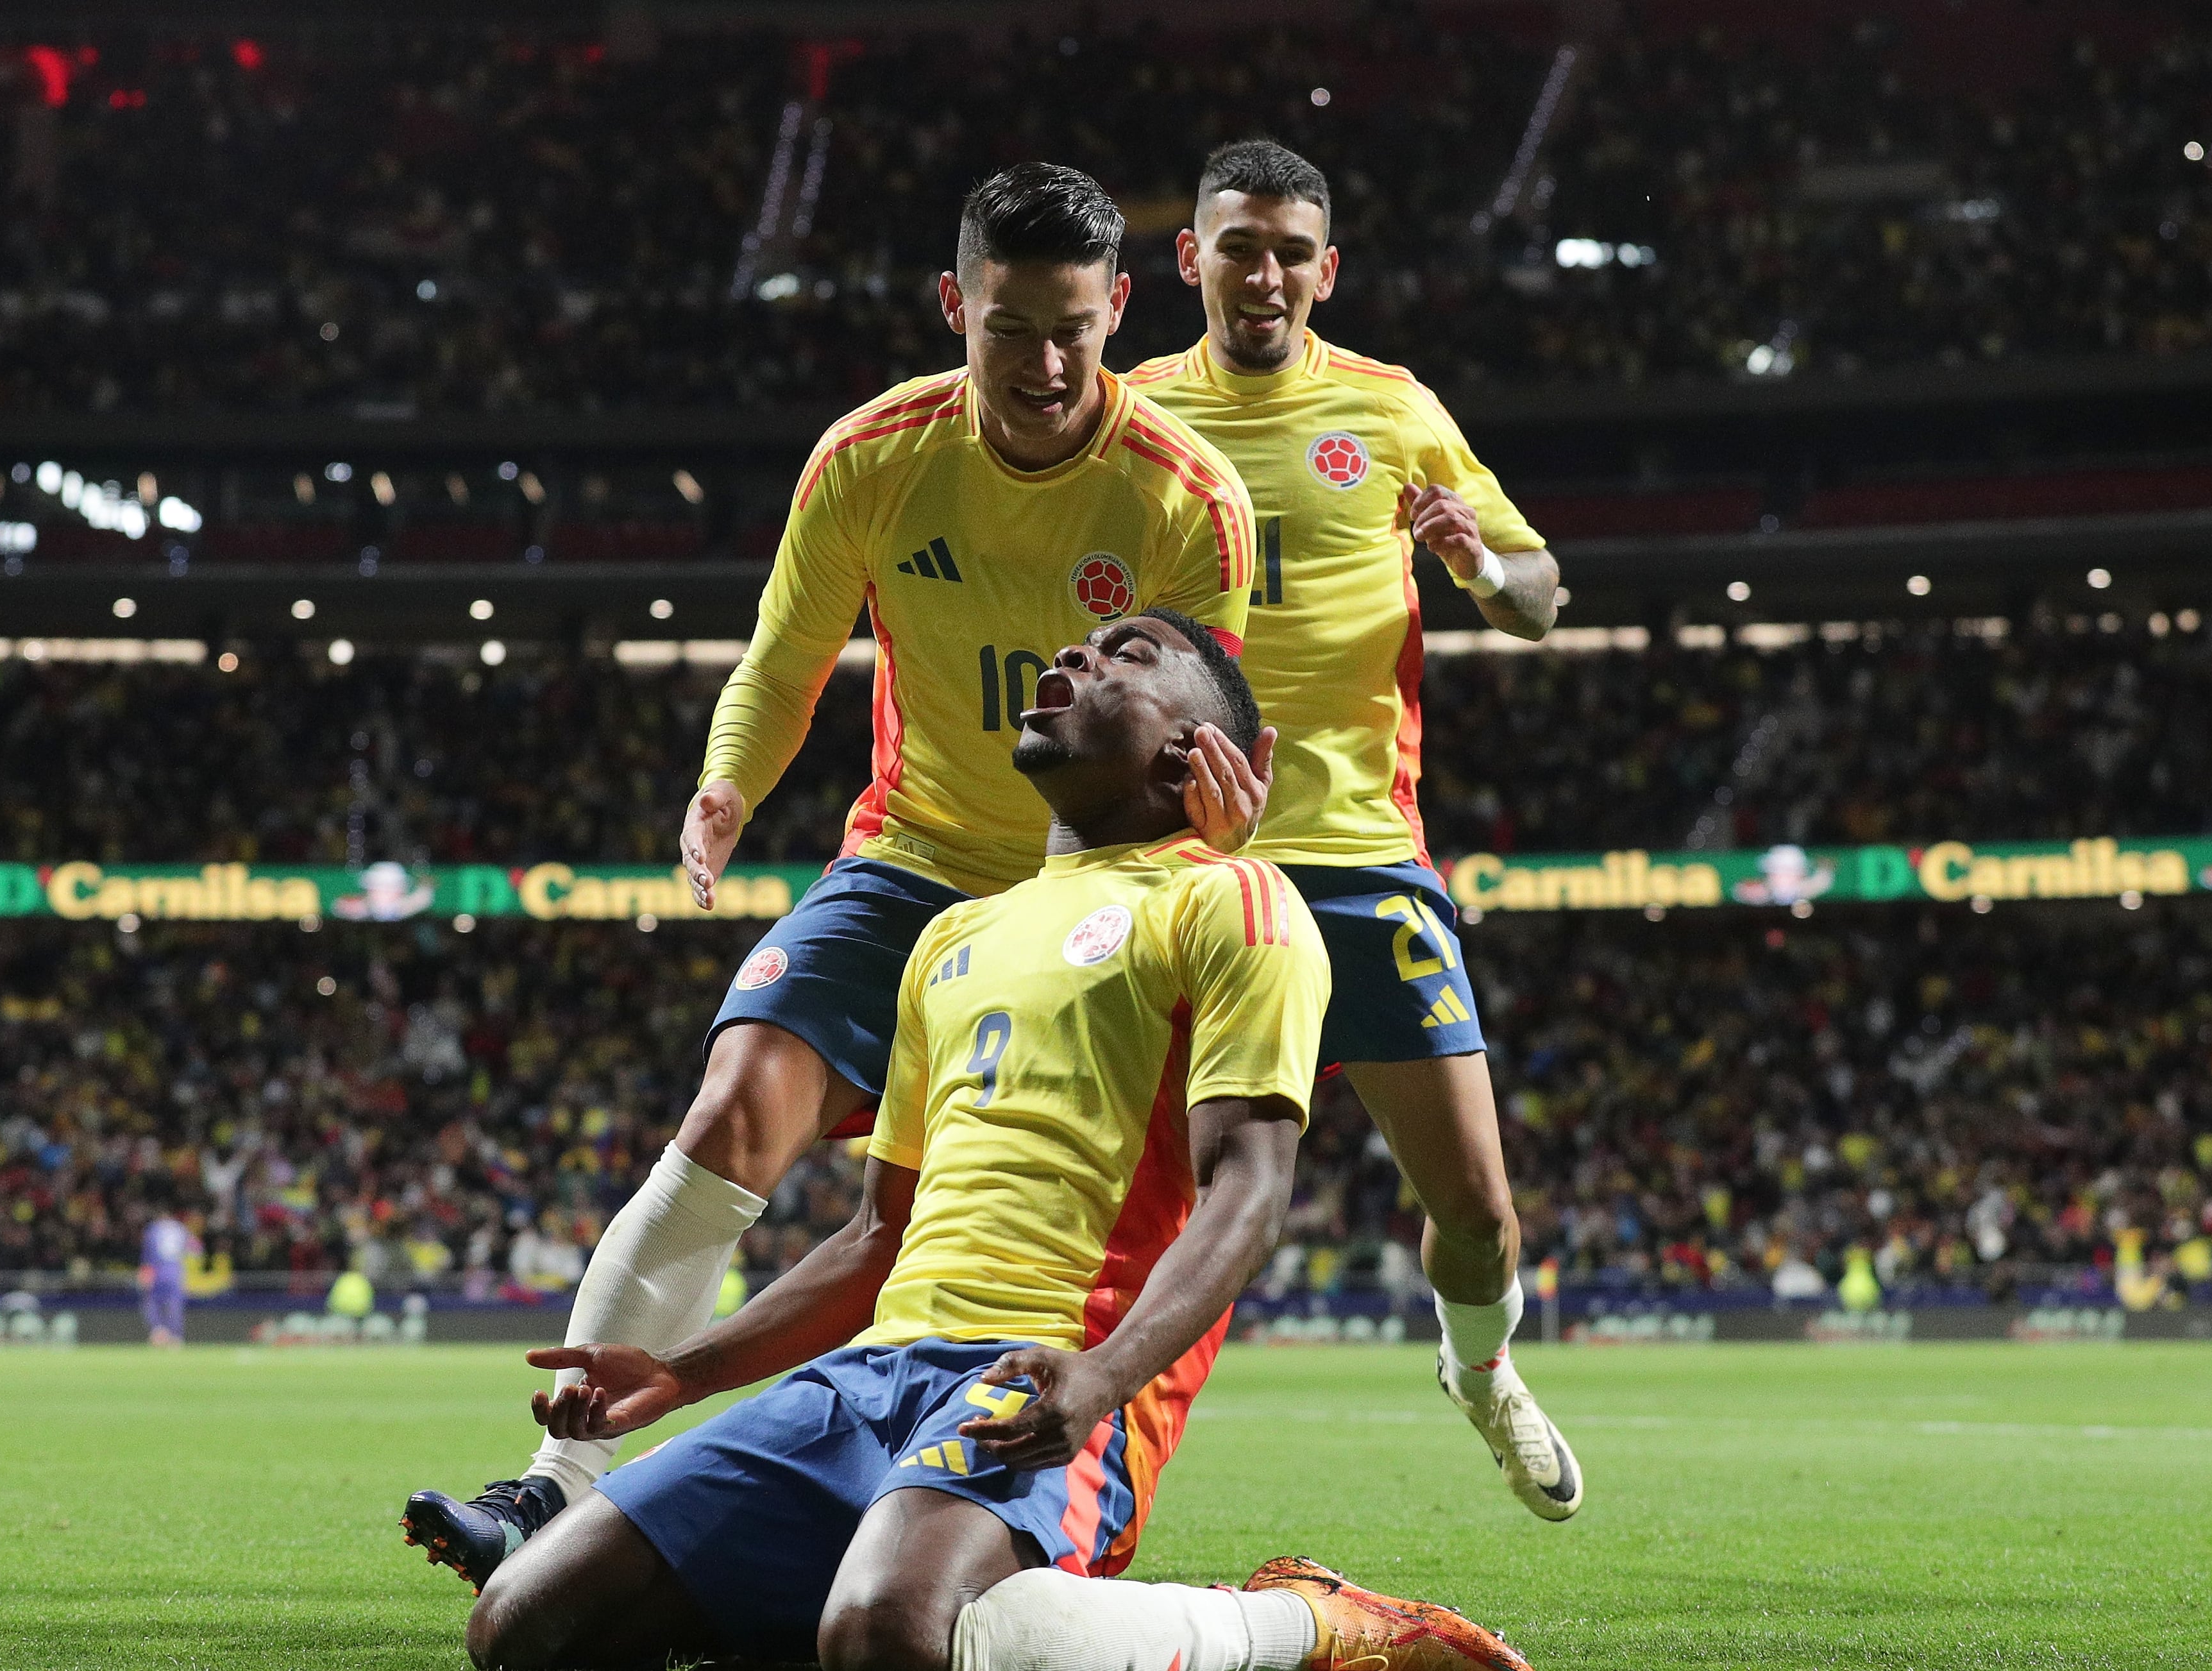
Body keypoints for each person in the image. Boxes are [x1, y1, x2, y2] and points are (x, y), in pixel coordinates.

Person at [405, 162, 1273, 1584]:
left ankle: (1001, 1479)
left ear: (1121, 307)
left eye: (1074, 327)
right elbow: (784, 655)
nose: (1045, 363)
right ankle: (553, 1486)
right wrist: (728, 781)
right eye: (1008, 327)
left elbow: (1202, 719)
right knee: (737, 1105)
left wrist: (1207, 864)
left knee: (996, 1218)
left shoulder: (1187, 496)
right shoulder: (870, 456)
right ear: (953, 306)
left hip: (1093, 888)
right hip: (914, 854)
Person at [466, 609, 1528, 1671]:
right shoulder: (950, 938)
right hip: (868, 1375)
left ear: (1189, 748)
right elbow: (877, 1238)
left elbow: (1246, 1194)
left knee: (886, 1633)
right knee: (523, 1625)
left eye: (1129, 655)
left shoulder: (1235, 901)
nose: (1075, 655)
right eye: (1079, 646)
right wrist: (680, 1371)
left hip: (1052, 1370)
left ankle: (1301, 1626)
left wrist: (1107, 1376)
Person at [1126, 140, 1582, 1520]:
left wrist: (1477, 565)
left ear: (1325, 270)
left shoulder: (1391, 411)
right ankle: (1048, 1452)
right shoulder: (1126, 412)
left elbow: (1539, 599)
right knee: (1120, 1206)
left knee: (1478, 1213)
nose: (1259, 271)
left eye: (1285, 249)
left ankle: (1479, 1372)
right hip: (1179, 865)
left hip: (1356, 858)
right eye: (1233, 245)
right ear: (1186, 258)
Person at [139, 1207, 192, 1348]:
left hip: (158, 1270)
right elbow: (195, 1249)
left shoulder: (154, 1229)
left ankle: (158, 1331)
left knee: (151, 1300)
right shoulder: (181, 1229)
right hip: (175, 1271)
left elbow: (148, 1253)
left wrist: (145, 1272)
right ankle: (176, 1337)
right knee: (174, 1304)